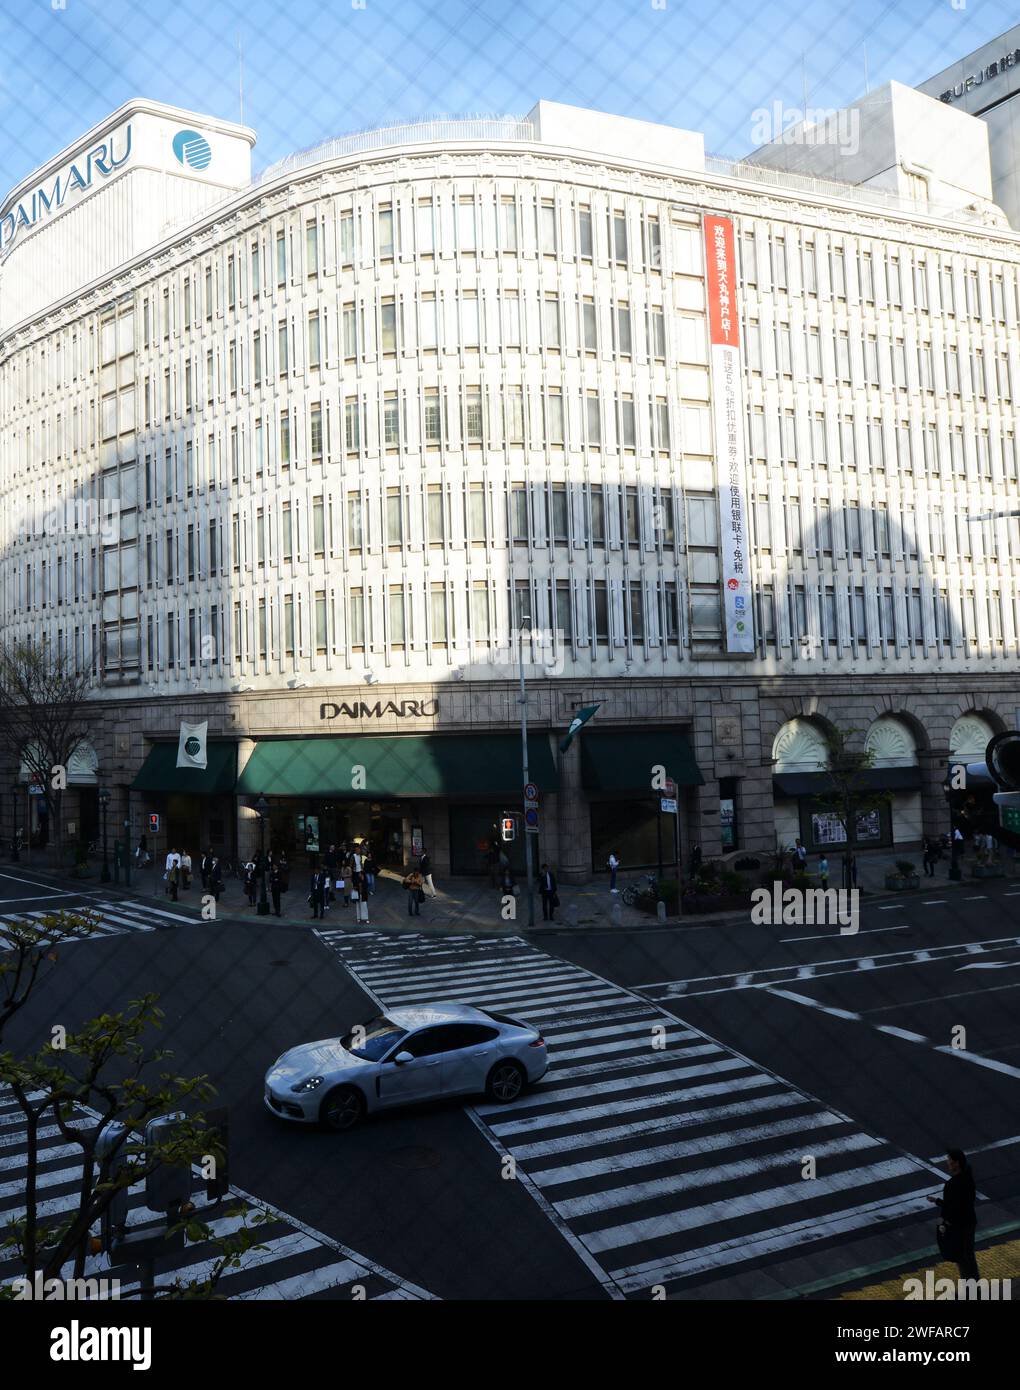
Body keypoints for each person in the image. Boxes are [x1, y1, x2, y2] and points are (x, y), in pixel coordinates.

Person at [930, 1150, 979, 1281]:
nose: (948, 1164)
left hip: (958, 1227)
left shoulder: (951, 1185)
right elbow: (967, 1201)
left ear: (956, 1163)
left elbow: (950, 1209)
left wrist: (941, 1221)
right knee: (969, 1257)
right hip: (969, 1221)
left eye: (950, 1161)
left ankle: (969, 1292)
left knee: (961, 1259)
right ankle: (975, 1289)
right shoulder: (968, 1178)